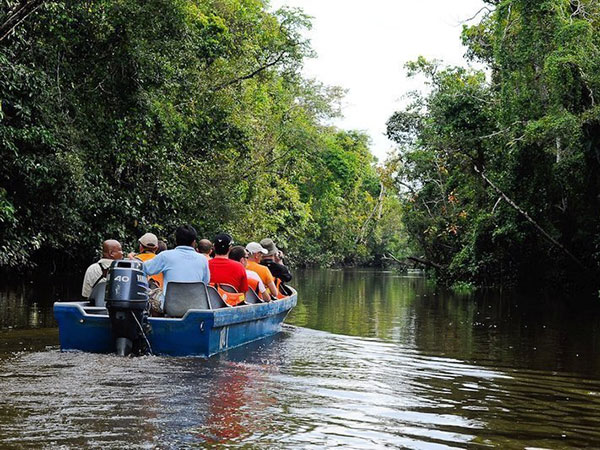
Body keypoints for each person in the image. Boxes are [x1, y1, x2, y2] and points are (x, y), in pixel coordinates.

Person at [142, 225, 210, 307]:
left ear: (176, 240)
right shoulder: (203, 260)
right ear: (194, 242)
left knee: (154, 295)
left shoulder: (165, 256)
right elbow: (205, 283)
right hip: (196, 306)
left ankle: (154, 318)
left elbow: (145, 269)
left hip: (170, 307)